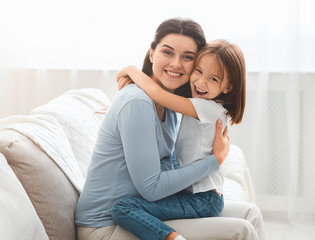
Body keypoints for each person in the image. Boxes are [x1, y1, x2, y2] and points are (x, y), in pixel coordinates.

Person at [75, 17, 231, 240]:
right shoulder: (137, 102)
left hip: (143, 214)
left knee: (250, 214)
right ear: (151, 54)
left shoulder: (172, 107)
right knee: (241, 231)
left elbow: (169, 167)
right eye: (168, 52)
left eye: (187, 57)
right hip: (105, 224)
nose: (176, 63)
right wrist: (215, 160)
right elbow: (152, 188)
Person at [111, 40, 248, 240]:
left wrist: (132, 70)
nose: (201, 82)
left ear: (228, 86)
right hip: (196, 195)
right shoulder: (200, 104)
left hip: (203, 199)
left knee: (123, 208)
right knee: (131, 202)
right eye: (198, 71)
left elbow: (159, 95)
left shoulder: (208, 109)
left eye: (213, 79)